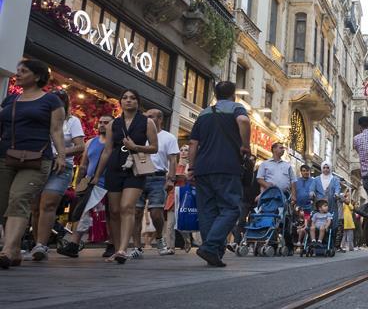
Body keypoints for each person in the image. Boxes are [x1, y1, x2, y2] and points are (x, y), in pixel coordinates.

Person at [0, 60, 66, 269]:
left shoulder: (51, 100)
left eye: (24, 71)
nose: (18, 74)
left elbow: (56, 131)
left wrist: (62, 156)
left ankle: (8, 250)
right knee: (3, 204)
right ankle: (14, 247)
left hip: (37, 158)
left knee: (19, 198)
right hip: (5, 156)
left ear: (37, 76)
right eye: (17, 70)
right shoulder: (10, 99)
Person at [88, 89, 158, 265]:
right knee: (114, 211)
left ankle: (122, 250)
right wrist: (97, 175)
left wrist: (136, 146)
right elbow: (107, 150)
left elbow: (154, 148)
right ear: (120, 102)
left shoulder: (147, 122)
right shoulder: (114, 124)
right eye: (125, 98)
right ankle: (117, 248)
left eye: (133, 98)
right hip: (114, 166)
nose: (128, 101)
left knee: (127, 206)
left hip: (135, 167)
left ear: (138, 102)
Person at [186, 81, 251, 267]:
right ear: (233, 95)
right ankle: (210, 246)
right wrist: (245, 145)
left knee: (207, 211)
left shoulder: (204, 112)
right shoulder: (236, 107)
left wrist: (191, 168)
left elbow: (193, 143)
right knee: (231, 209)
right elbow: (244, 121)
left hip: (203, 168)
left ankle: (213, 252)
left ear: (215, 95)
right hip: (227, 166)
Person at [30, 89, 84, 261]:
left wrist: (59, 153)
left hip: (61, 167)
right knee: (35, 207)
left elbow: (80, 146)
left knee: (48, 204)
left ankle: (42, 245)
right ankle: (35, 243)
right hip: (38, 165)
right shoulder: (40, 120)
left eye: (60, 101)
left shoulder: (72, 121)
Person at [58, 115, 113, 258]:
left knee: (110, 216)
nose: (102, 125)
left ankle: (111, 244)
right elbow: (83, 165)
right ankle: (74, 245)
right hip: (90, 184)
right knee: (84, 213)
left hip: (109, 184)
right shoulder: (90, 142)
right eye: (100, 122)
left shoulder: (116, 143)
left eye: (106, 123)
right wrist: (79, 184)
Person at [129, 109, 179, 258]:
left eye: (150, 117)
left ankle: (159, 238)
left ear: (160, 119)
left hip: (158, 178)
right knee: (136, 213)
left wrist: (170, 179)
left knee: (156, 213)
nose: (147, 119)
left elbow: (172, 160)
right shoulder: (139, 135)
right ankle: (137, 246)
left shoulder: (168, 137)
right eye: (146, 117)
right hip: (138, 175)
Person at [294, 164, 315, 243]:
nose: (306, 172)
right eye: (304, 171)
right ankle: (297, 242)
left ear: (309, 171)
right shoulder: (296, 181)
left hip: (309, 208)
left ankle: (305, 243)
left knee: (307, 225)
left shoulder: (313, 181)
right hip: (298, 208)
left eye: (307, 171)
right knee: (298, 225)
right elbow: (293, 192)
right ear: (301, 172)